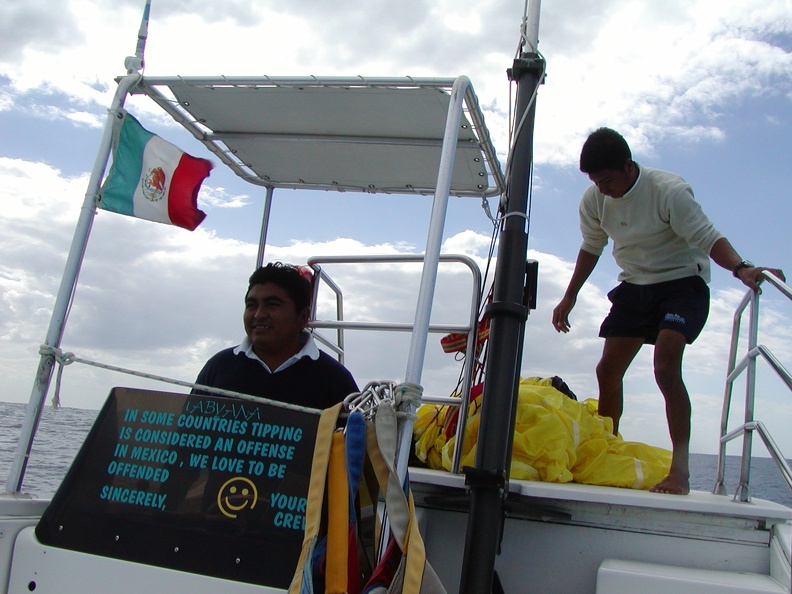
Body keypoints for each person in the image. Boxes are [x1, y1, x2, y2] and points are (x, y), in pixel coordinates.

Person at [551, 127, 785, 495]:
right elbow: (592, 245)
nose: (602, 189)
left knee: (665, 365)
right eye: (595, 181)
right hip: (635, 285)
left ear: (629, 167)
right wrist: (570, 296)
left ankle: (680, 471)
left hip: (682, 284)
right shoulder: (594, 200)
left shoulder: (668, 190)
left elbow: (708, 237)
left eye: (607, 180)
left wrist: (742, 268)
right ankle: (606, 453)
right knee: (607, 370)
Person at [194, 262, 358, 409]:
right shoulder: (219, 367)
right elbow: (186, 428)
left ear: (302, 317)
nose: (259, 315)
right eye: (252, 305)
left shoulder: (335, 379)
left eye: (272, 305)